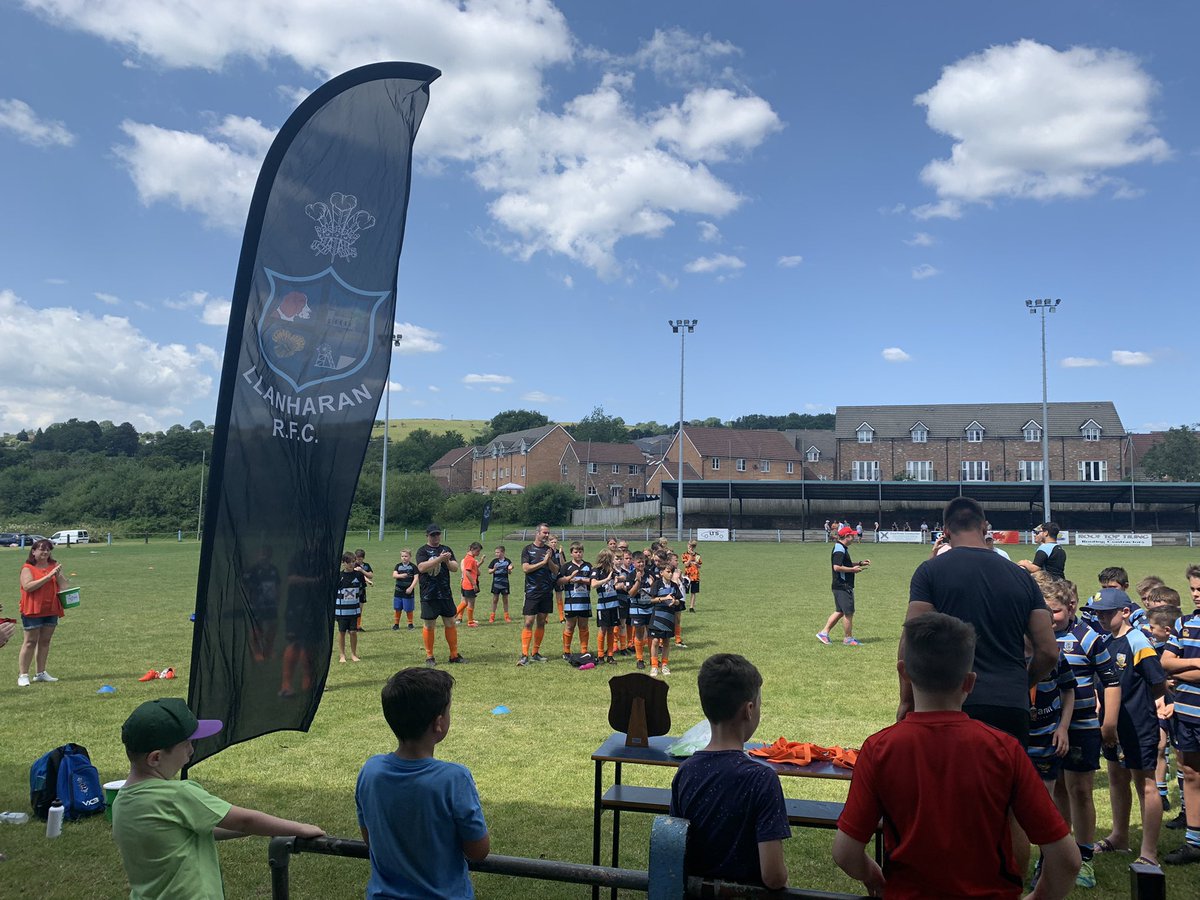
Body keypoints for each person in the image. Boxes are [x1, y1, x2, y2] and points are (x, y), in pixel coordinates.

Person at [835, 612, 1078, 898]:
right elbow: (1067, 860)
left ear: (904, 672)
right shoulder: (1004, 749)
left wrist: (875, 877)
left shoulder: (879, 749)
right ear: (969, 682)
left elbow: (845, 852)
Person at [113, 698, 323, 898]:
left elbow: (196, 828)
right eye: (186, 744)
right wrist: (299, 828)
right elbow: (244, 820)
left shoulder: (122, 801)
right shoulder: (178, 795)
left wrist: (251, 831)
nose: (192, 750)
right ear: (156, 758)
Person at [902, 497, 1058, 745]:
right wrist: (1020, 683)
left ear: (945, 531)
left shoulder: (930, 571)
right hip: (1010, 706)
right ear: (985, 528)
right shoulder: (1022, 577)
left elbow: (912, 639)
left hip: (951, 704)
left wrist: (907, 701)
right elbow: (1049, 651)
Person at [356, 669, 489, 899]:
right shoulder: (454, 779)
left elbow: (370, 839)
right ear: (439, 723)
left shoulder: (371, 771)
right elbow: (478, 851)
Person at [669, 653, 789, 889]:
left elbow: (676, 850)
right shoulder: (762, 780)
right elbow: (773, 877)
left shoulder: (686, 772)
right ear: (749, 710)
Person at [1043, 579, 1120, 888]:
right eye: (1045, 612)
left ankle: (1084, 857)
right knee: (1058, 788)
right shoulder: (1040, 637)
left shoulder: (1089, 638)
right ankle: (1062, 853)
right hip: (1049, 727)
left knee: (1080, 790)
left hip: (1084, 726)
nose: (1050, 618)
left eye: (1055, 612)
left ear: (1071, 607)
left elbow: (1111, 681)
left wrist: (1109, 724)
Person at [1089, 589, 1167, 865]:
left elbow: (1157, 681)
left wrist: (1160, 713)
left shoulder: (1138, 642)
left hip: (1138, 724)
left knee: (1145, 783)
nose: (1101, 618)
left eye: (1107, 613)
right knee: (1116, 778)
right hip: (1112, 725)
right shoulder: (1107, 640)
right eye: (1097, 613)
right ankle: (1119, 836)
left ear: (1124, 612)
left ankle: (1149, 852)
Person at [1160, 563, 1200, 864]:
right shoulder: (1184, 623)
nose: (1196, 595)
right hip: (1186, 712)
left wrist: (1182, 667)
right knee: (1190, 773)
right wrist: (1197, 666)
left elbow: (1176, 665)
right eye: (1193, 589)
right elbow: (1166, 662)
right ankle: (1194, 842)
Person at [17, 538, 69, 686]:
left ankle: (40, 673)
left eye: (48, 549)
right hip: (32, 609)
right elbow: (28, 587)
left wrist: (58, 575)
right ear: (33, 551)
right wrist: (48, 576)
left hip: (51, 608)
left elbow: (64, 586)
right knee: (30, 642)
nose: (45, 552)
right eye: (41, 549)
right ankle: (23, 675)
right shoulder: (27, 568)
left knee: (45, 641)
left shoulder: (53, 566)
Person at [415, 524, 464, 667]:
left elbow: (454, 568)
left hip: (445, 593)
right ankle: (429, 656)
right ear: (427, 536)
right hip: (428, 594)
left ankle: (454, 655)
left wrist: (447, 560)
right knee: (429, 625)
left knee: (450, 622)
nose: (435, 537)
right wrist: (439, 559)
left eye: (437, 534)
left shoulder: (446, 549)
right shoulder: (422, 550)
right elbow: (421, 567)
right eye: (433, 535)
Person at [817, 525, 868, 647]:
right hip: (843, 586)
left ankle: (824, 633)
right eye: (852, 536)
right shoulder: (840, 549)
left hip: (839, 586)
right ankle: (848, 639)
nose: (854, 537)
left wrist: (860, 563)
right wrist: (852, 570)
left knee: (840, 611)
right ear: (846, 536)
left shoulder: (841, 547)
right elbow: (837, 567)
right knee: (848, 612)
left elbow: (844, 563)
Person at [517, 523, 558, 666]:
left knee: (541, 622)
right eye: (544, 533)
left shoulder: (550, 550)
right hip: (531, 591)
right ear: (537, 533)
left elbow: (556, 570)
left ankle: (535, 653)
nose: (547, 535)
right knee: (528, 622)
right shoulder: (527, 549)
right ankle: (524, 655)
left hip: (546, 592)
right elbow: (525, 569)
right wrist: (543, 562)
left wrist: (550, 560)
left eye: (548, 533)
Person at [559, 541, 592, 658]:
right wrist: (570, 578)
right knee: (569, 626)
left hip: (584, 602)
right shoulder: (566, 567)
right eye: (576, 552)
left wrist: (581, 580)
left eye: (580, 552)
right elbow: (559, 581)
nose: (578, 554)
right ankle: (566, 651)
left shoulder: (588, 566)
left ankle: (584, 651)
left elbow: (593, 581)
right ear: (571, 553)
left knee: (583, 626)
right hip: (571, 603)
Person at [649, 563, 682, 676]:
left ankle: (664, 665)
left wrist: (675, 601)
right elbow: (651, 600)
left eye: (671, 571)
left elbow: (679, 601)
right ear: (661, 573)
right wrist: (664, 598)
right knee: (655, 641)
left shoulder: (674, 586)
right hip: (658, 616)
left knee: (667, 641)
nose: (670, 573)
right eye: (668, 571)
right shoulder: (657, 584)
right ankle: (654, 666)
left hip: (669, 617)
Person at [591, 549, 620, 664]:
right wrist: (607, 579)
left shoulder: (613, 571)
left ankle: (610, 655)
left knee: (611, 629)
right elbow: (593, 584)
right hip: (603, 605)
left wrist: (618, 580)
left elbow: (617, 582)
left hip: (614, 604)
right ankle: (600, 655)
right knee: (603, 629)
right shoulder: (596, 570)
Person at [335, 552, 365, 663]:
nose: (351, 564)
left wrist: (360, 606)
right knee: (342, 632)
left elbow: (362, 591)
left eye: (353, 562)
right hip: (341, 611)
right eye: (348, 562)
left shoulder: (358, 575)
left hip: (354, 610)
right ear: (343, 563)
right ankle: (342, 655)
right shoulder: (338, 576)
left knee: (353, 632)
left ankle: (353, 654)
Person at [455, 542, 483, 628]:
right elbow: (467, 572)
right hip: (469, 584)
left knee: (464, 602)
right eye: (477, 551)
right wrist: (474, 583)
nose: (478, 553)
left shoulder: (470, 558)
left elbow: (475, 571)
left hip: (465, 584)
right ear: (472, 549)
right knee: (471, 603)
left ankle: (452, 616)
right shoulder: (470, 559)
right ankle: (470, 622)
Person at [391, 549, 417, 631]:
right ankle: (396, 624)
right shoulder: (398, 566)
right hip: (398, 591)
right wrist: (401, 575)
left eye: (406, 556)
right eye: (402, 556)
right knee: (397, 608)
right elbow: (394, 575)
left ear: (410, 557)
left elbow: (416, 578)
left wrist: (411, 587)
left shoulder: (413, 567)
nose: (404, 558)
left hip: (408, 591)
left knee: (409, 608)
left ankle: (410, 624)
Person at [487, 546, 513, 624]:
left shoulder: (508, 561)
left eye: (498, 552)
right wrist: (494, 569)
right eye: (496, 552)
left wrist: (509, 569)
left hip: (505, 583)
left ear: (503, 552)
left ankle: (506, 616)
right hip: (496, 583)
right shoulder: (494, 561)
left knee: (505, 600)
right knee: (495, 599)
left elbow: (510, 572)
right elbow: (489, 571)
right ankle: (492, 616)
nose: (496, 554)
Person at [354, 548, 374, 631]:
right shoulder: (353, 565)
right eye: (357, 558)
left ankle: (358, 626)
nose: (358, 560)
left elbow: (370, 575)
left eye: (360, 558)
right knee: (353, 608)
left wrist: (362, 570)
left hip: (362, 588)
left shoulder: (366, 566)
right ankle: (352, 626)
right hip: (354, 589)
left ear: (363, 558)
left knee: (360, 608)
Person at [681, 540, 702, 613]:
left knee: (694, 592)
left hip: (695, 576)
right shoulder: (684, 554)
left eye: (693, 546)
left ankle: (691, 607)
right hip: (687, 576)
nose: (691, 548)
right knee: (684, 591)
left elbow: (699, 566)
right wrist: (690, 557)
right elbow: (686, 564)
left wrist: (697, 564)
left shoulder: (697, 555)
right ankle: (682, 605)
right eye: (690, 546)